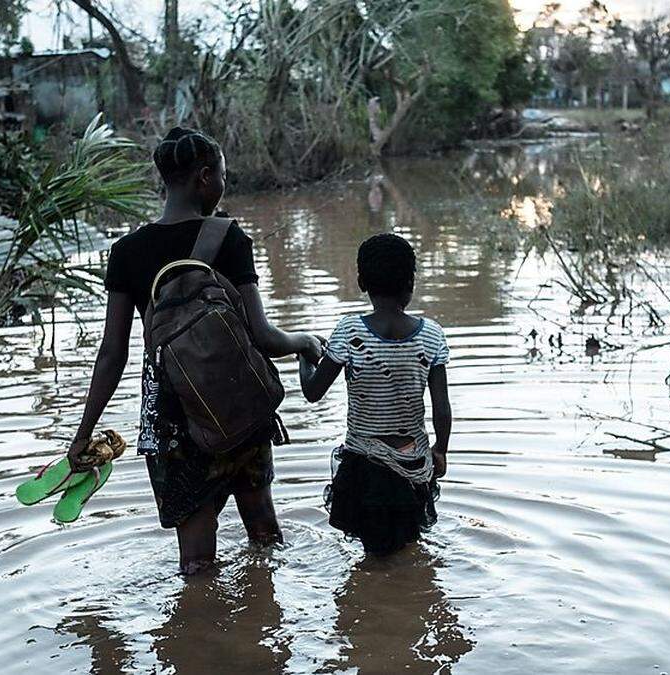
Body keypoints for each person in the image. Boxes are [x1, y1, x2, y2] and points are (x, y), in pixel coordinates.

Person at [67, 127, 323, 574]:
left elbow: (113, 353)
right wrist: (304, 342)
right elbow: (263, 337)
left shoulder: (127, 252)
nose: (225, 184)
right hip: (241, 409)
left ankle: (199, 638)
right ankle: (268, 630)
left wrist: (83, 432)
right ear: (204, 178)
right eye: (223, 175)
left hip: (173, 420)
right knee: (265, 539)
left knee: (197, 565)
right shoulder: (229, 237)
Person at [298, 233, 452, 555]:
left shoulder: (349, 332)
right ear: (410, 283)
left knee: (374, 558)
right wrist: (441, 450)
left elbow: (313, 393)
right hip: (414, 465)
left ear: (361, 282)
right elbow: (442, 408)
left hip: (364, 468)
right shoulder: (432, 336)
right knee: (410, 548)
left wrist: (304, 356)